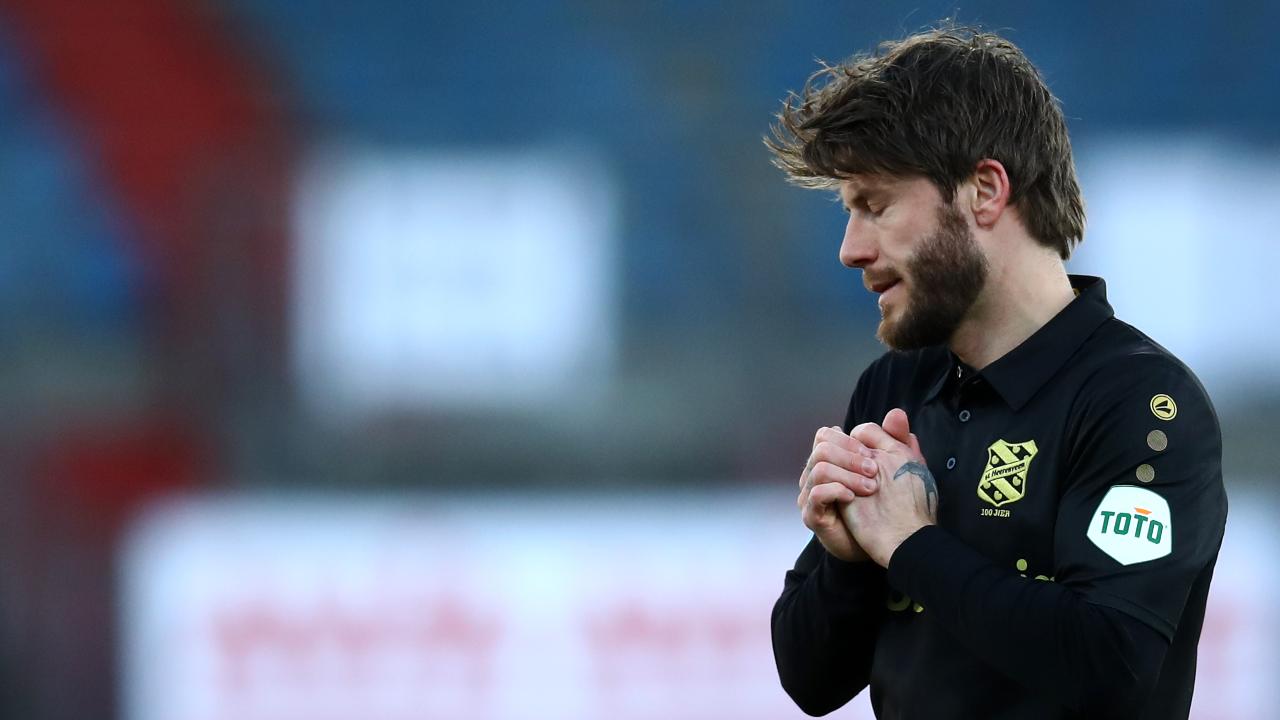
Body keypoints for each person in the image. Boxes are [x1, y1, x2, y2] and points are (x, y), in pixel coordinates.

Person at [765, 26, 1227, 719]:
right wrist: (848, 559)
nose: (850, 249)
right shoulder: (894, 389)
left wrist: (910, 545)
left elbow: (1112, 666)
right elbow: (810, 680)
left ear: (984, 190)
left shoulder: (1141, 403)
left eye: (876, 205)